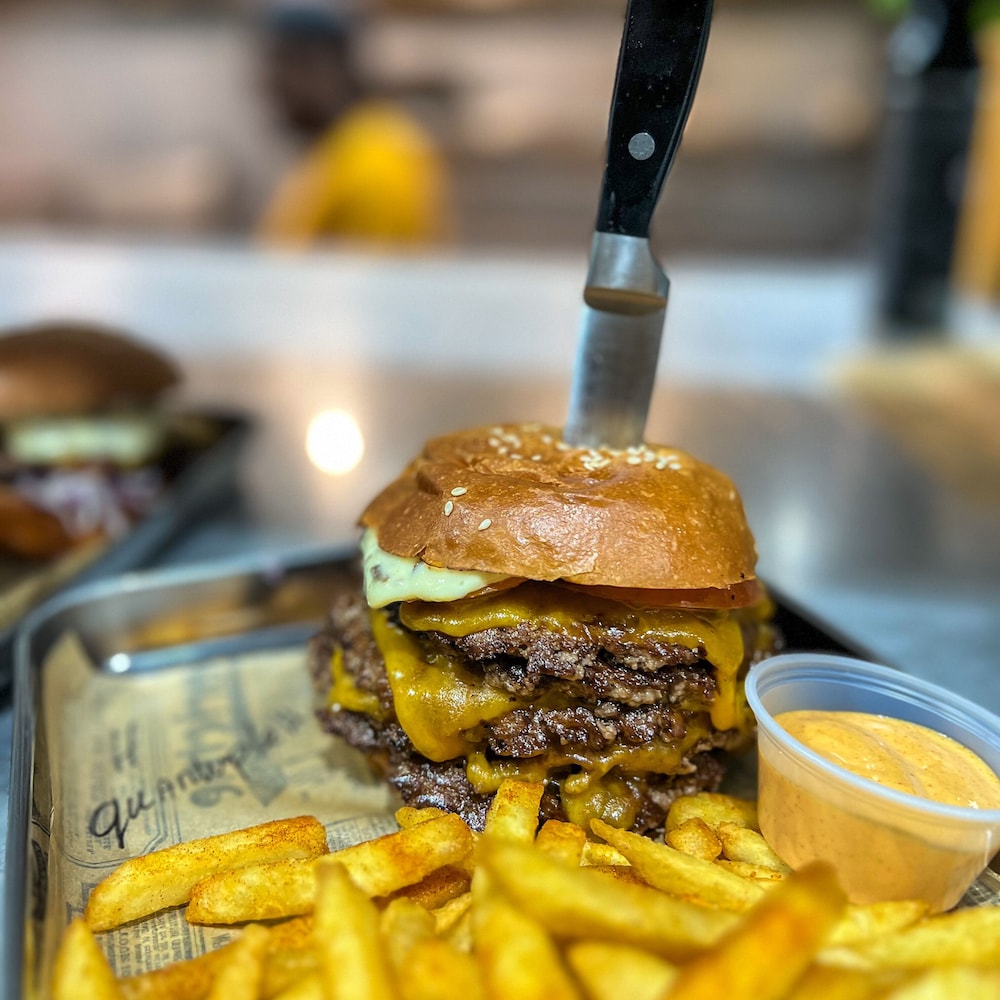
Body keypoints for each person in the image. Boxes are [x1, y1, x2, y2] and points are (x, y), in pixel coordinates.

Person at [256, 3, 454, 249]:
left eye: (280, 65)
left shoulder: (376, 162)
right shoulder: (339, 148)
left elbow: (375, 271)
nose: (268, 86)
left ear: (324, 66)